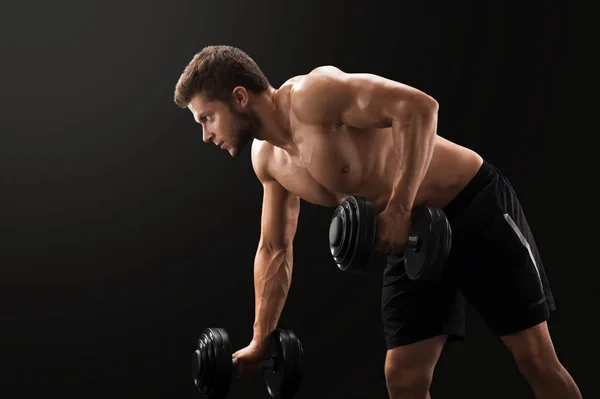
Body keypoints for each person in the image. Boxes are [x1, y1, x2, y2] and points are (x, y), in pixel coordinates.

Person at [173, 45, 581, 399]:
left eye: (206, 118)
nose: (206, 135)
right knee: (402, 378)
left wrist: (399, 209)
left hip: (473, 205)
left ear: (239, 97)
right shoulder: (267, 161)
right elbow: (274, 248)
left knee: (535, 360)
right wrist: (261, 340)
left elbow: (419, 108)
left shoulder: (315, 96)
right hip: (412, 241)